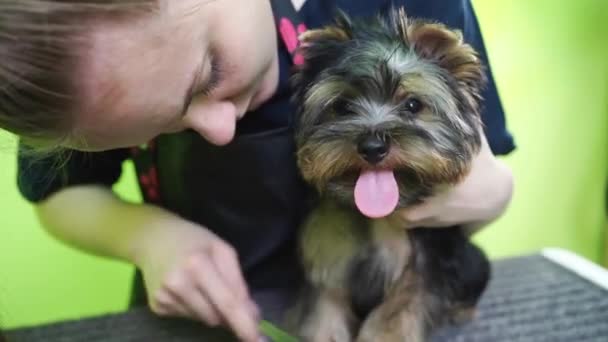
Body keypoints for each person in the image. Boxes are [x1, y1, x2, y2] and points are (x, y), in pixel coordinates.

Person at [0, 0, 515, 341]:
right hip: (197, 316)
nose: (221, 129)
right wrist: (150, 238)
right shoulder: (69, 68)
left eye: (211, 73)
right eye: (158, 127)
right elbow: (58, 195)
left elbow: (470, 207)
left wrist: (493, 194)